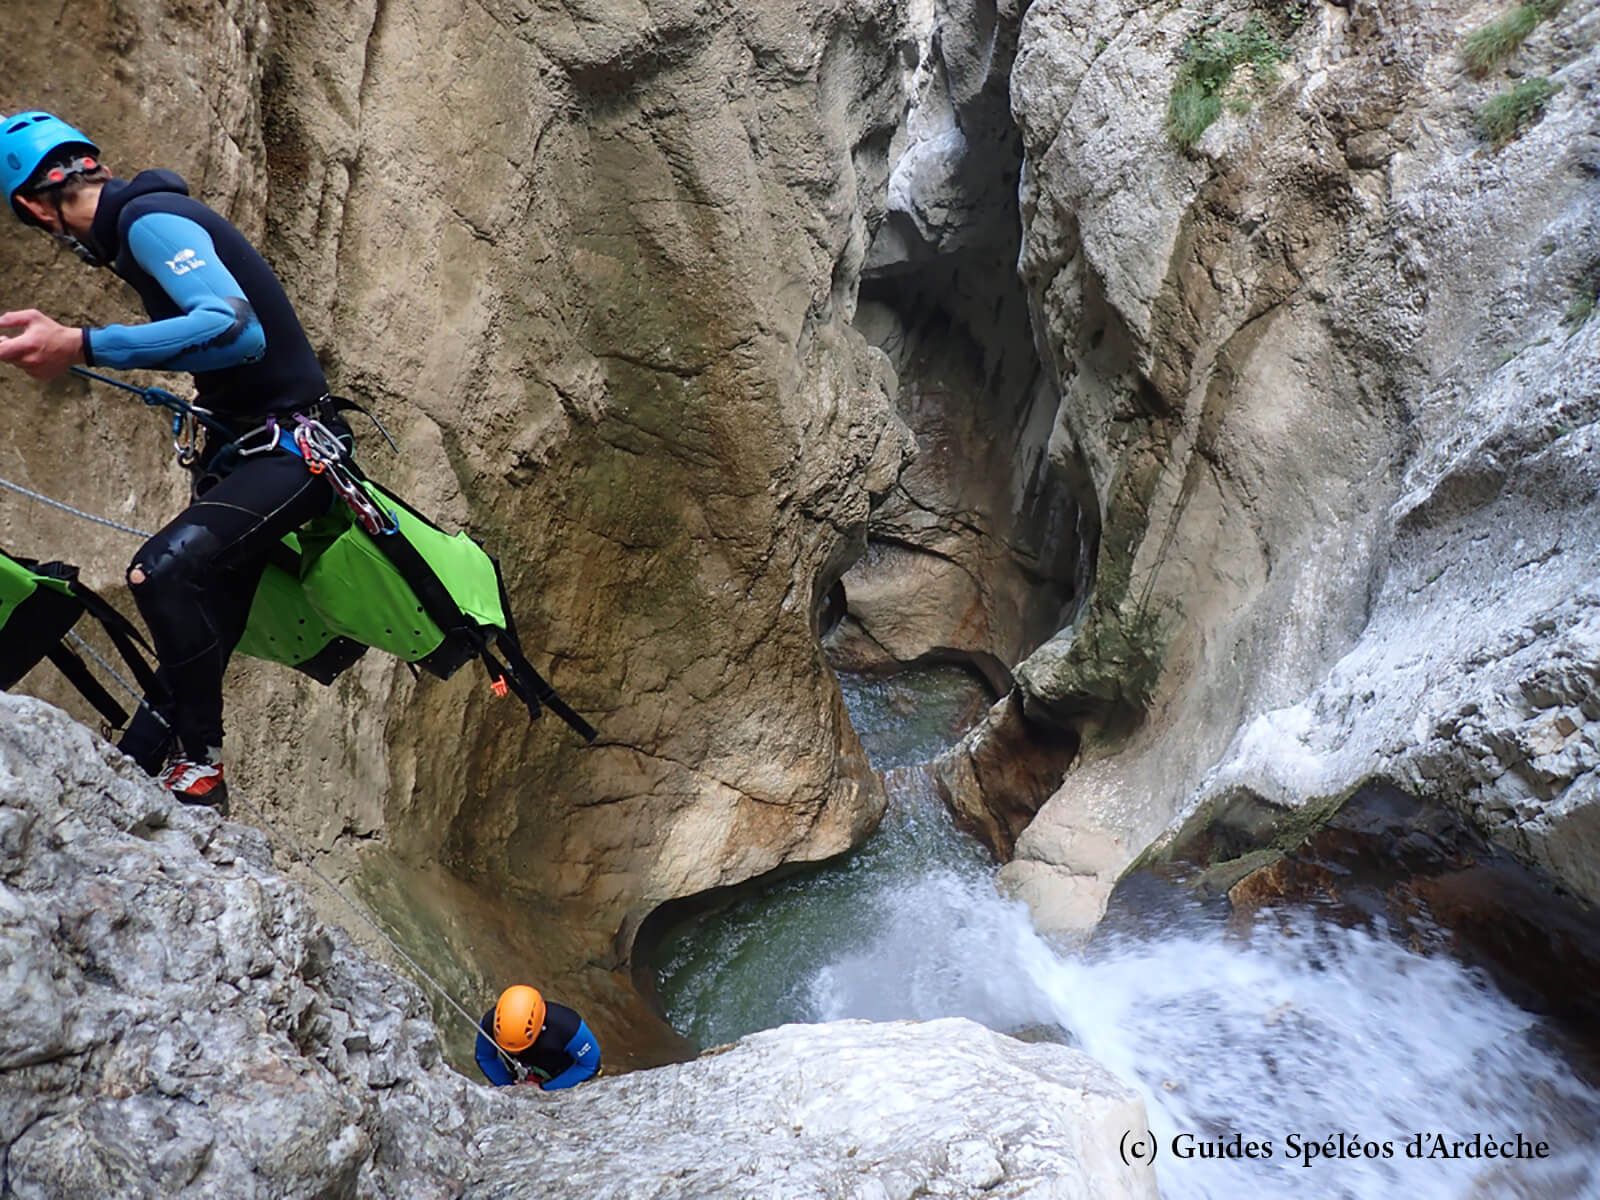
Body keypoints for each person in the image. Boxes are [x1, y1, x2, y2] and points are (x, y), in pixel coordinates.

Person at [0, 111, 344, 811]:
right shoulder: (145, 223)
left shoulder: (147, 219)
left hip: (290, 450)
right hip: (256, 450)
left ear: (37, 207)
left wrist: (83, 342)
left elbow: (232, 328)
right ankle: (156, 778)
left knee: (160, 571)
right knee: (199, 633)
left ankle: (201, 768)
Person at [475, 984, 602, 1090]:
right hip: (523, 1074)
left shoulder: (567, 1026)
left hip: (564, 1073)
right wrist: (509, 1087)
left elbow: (590, 1064)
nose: (517, 1052)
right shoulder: (489, 1023)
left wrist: (544, 1088)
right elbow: (485, 1057)